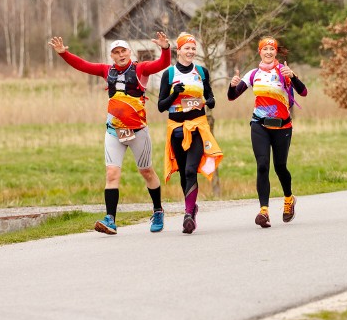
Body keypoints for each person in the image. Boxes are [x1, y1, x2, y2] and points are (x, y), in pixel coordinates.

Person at [48, 33, 171, 235]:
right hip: (114, 130)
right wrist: (64, 53)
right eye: (116, 52)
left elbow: (161, 64)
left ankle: (158, 210)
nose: (120, 54)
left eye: (123, 51)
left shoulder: (141, 68)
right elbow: (83, 65)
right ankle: (110, 220)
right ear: (111, 56)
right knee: (111, 173)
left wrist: (166, 49)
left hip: (138, 130)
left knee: (146, 171)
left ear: (129, 53)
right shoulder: (107, 70)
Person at [227, 36, 307, 228]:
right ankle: (264, 211)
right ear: (260, 51)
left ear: (276, 52)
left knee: (280, 167)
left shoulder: (284, 71)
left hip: (282, 126)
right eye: (265, 49)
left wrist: (293, 77)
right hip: (259, 125)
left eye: (272, 49)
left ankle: (289, 199)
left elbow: (303, 92)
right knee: (262, 165)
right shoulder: (253, 74)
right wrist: (232, 85)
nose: (269, 52)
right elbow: (232, 97)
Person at [158, 33, 223, 234]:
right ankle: (192, 207)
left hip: (197, 127)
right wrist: (175, 93)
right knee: (183, 173)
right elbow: (161, 106)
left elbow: (209, 94)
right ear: (179, 50)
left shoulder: (201, 72)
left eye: (193, 48)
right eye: (187, 48)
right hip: (176, 129)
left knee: (190, 170)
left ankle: (187, 214)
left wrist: (211, 101)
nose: (191, 51)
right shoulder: (168, 74)